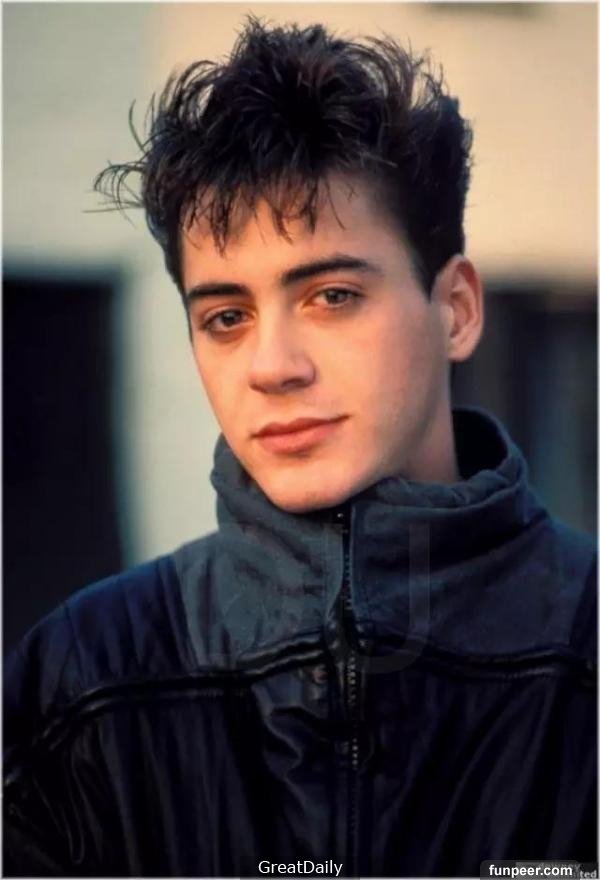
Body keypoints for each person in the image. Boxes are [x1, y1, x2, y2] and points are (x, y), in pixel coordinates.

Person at [3, 18, 596, 878]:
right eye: (226, 317)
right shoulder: (83, 677)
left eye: (332, 296)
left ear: (457, 310)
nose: (272, 367)